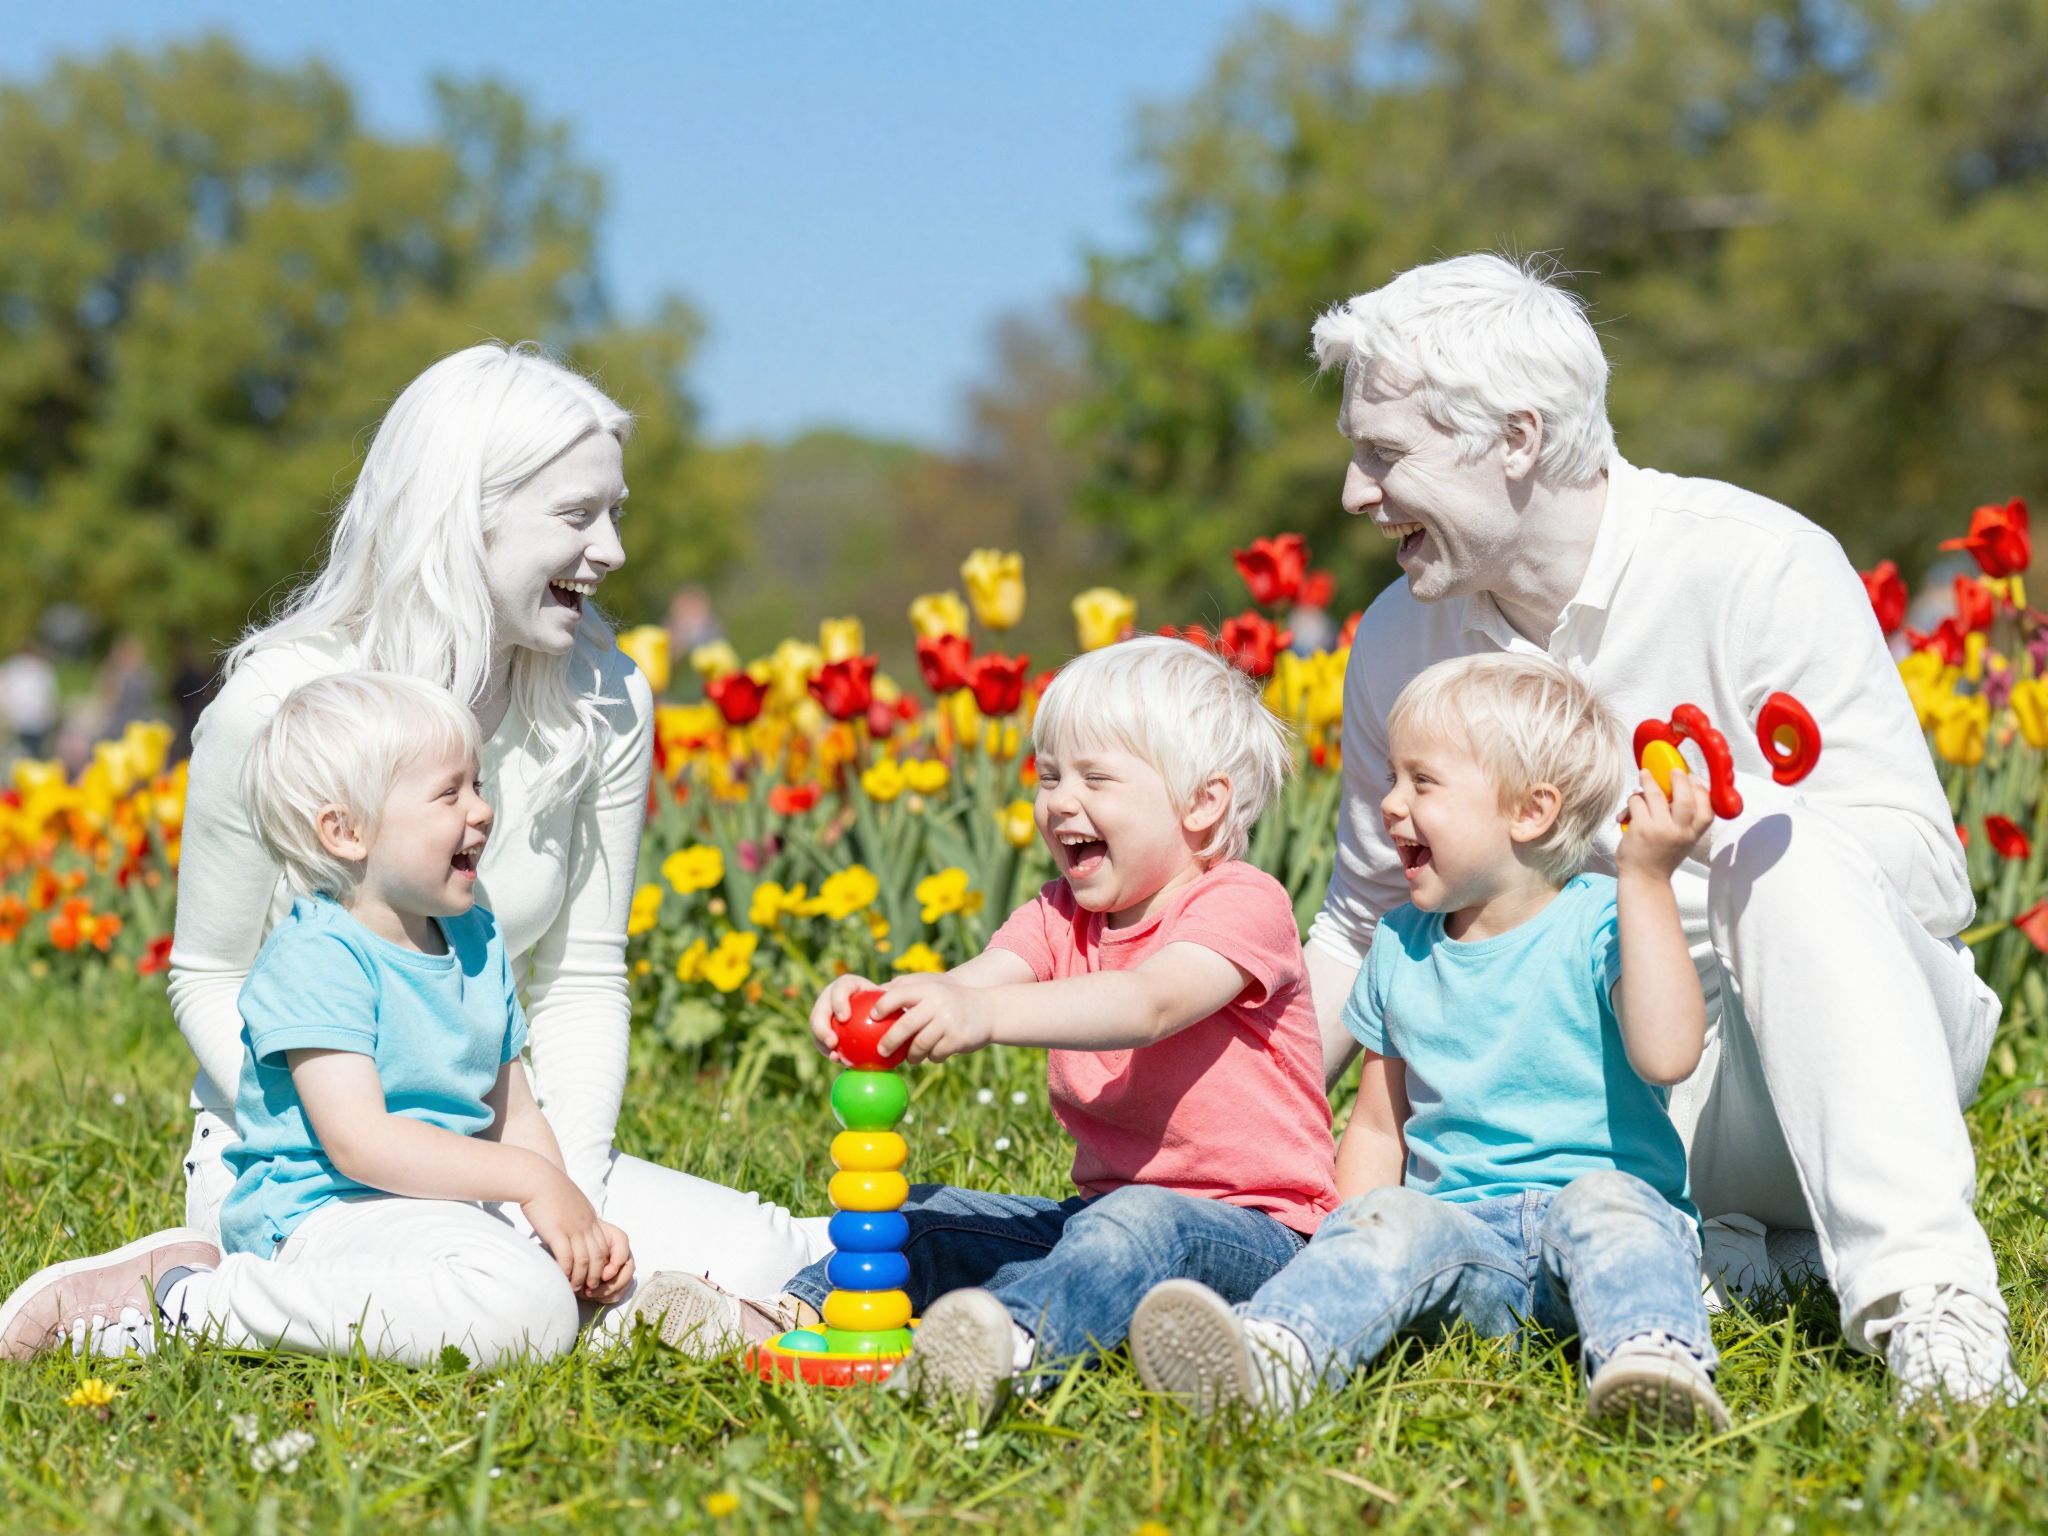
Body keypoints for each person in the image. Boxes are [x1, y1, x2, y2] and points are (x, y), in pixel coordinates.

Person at [1292, 254, 2022, 1407]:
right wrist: (1229, 1123)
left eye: (1384, 454)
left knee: (1782, 843)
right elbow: (1358, 919)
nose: (1352, 492)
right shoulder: (1397, 639)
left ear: (1515, 438)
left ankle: (1931, 1312)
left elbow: (1930, 879)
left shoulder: (1753, 564)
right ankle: (1727, 1259)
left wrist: (1715, 843)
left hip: (1809, 1053)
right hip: (1588, 1112)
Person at [82, 341, 813, 1357]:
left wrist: (569, 1192)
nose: (609, 552)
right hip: (309, 1166)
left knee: (764, 1256)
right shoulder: (281, 705)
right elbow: (210, 972)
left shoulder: (604, 696)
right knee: (514, 1306)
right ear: (462, 515)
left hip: (504, 1142)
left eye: (615, 512)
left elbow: (581, 979)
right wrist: (404, 1149)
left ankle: (646, 1305)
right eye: (574, 517)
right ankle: (176, 1288)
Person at [634, 637, 1338, 1419]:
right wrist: (882, 1006)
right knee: (925, 1222)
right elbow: (969, 985)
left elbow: (1149, 1003)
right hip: (1100, 1224)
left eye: (1095, 777)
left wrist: (985, 1016)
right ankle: (780, 1317)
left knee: (1136, 1227)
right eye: (1048, 777)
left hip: (1260, 1241)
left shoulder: (1242, 903)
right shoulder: (1057, 914)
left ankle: (1004, 1350)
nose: (1059, 802)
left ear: (1202, 804)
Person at [1131, 654, 1728, 1432]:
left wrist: (1647, 879)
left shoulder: (1604, 920)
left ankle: (1653, 1358)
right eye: (1392, 779)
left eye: (1423, 782)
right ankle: (1275, 1351)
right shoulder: (1400, 949)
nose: (1389, 805)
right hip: (1464, 1242)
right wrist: (1346, 1238)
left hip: (1598, 1237)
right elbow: (1379, 1126)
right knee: (1392, 1222)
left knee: (1613, 1205)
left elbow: (1669, 1052)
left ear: (1530, 811)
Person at [3, 674, 628, 1365]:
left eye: (477, 786)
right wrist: (530, 1183)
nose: (480, 811)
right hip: (323, 1215)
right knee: (527, 1312)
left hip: (443, 1206)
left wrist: (572, 1220)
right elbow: (361, 1145)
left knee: (566, 1293)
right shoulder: (318, 957)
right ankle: (188, 1303)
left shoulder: (476, 937)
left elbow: (513, 1111)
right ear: (346, 831)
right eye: (450, 793)